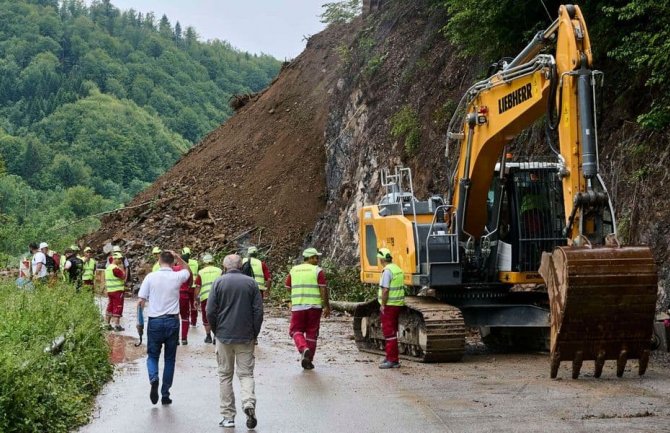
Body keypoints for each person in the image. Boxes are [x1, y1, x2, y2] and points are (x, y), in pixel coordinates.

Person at [206, 254, 263, 429]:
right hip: (246, 335)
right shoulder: (251, 284)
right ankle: (248, 404)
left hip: (224, 336)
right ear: (240, 266)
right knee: (246, 374)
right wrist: (254, 333)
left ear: (224, 266)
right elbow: (258, 312)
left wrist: (217, 331)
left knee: (225, 375)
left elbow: (210, 311)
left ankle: (228, 416)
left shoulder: (218, 282)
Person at [138, 250, 192, 405]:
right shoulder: (177, 276)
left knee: (153, 356)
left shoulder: (150, 277)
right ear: (173, 262)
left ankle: (153, 378)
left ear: (159, 260)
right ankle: (165, 394)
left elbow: (140, 302)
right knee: (169, 359)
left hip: (154, 322)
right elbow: (188, 271)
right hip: (172, 322)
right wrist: (179, 258)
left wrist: (140, 324)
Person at [285, 247, 330, 370]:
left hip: (298, 306)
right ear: (309, 258)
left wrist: (296, 294)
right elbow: (323, 289)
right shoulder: (317, 271)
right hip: (314, 307)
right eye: (316, 257)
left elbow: (288, 287)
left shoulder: (294, 270)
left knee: (295, 331)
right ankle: (309, 360)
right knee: (312, 333)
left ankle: (303, 348)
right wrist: (326, 306)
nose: (317, 260)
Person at [376, 248, 405, 369]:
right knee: (393, 331)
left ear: (381, 259)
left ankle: (392, 360)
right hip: (397, 303)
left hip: (389, 305)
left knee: (389, 333)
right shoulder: (397, 268)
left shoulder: (387, 271)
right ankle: (390, 356)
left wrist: (383, 304)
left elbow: (385, 289)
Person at [194, 253, 222, 344]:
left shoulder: (201, 272)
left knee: (206, 316)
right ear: (213, 261)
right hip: (218, 297)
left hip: (205, 297)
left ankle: (208, 336)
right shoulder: (219, 271)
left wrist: (196, 299)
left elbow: (198, 286)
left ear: (204, 262)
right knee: (218, 315)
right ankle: (216, 336)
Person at [174, 255, 194, 345]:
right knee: (185, 317)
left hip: (174, 295)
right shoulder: (187, 270)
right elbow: (191, 282)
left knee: (174, 317)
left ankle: (175, 339)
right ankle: (184, 338)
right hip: (184, 295)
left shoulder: (173, 269)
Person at [105, 252, 127, 331]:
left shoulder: (108, 268)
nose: (120, 260)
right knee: (118, 306)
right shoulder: (115, 268)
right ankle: (117, 325)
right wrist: (122, 269)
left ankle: (107, 324)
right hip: (117, 291)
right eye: (119, 259)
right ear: (115, 259)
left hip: (110, 291)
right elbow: (123, 276)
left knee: (110, 306)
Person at [182, 247, 199, 327]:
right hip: (194, 286)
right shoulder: (195, 262)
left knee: (186, 305)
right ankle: (194, 322)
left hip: (186, 286)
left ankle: (186, 321)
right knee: (193, 304)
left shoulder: (181, 263)